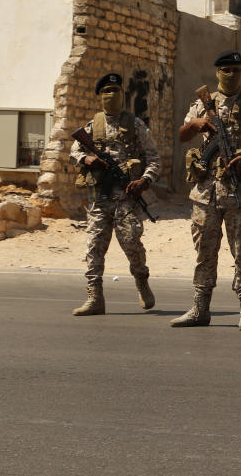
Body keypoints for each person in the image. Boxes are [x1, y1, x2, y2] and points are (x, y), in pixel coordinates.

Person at [171, 50, 241, 331]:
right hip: (205, 191)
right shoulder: (203, 104)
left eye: (237, 69)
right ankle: (200, 308)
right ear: (217, 72)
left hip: (238, 191)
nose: (232, 74)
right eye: (226, 70)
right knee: (204, 251)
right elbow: (182, 135)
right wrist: (196, 124)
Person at [69, 73, 160, 316]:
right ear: (100, 96)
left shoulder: (136, 125)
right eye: (106, 90)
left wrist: (144, 180)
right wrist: (87, 158)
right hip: (99, 198)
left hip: (127, 199)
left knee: (132, 244)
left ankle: (141, 279)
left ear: (122, 94)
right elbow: (74, 152)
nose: (111, 94)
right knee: (94, 248)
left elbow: (153, 158)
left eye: (115, 90)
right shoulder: (91, 126)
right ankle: (94, 297)